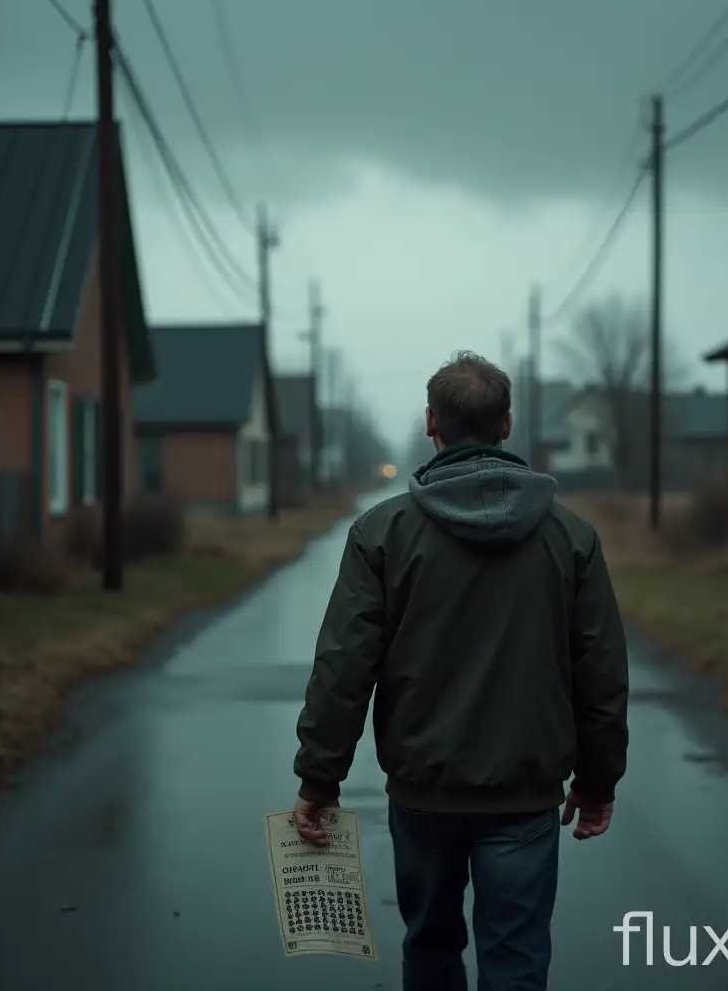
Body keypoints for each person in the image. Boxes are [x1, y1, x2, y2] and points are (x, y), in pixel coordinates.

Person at [292, 351, 630, 991]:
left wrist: (319, 777)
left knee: (432, 947)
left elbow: (344, 666)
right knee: (517, 959)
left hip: (423, 794)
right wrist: (597, 780)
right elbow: (601, 672)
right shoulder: (570, 536)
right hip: (525, 796)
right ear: (507, 425)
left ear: (430, 424)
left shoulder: (382, 533)